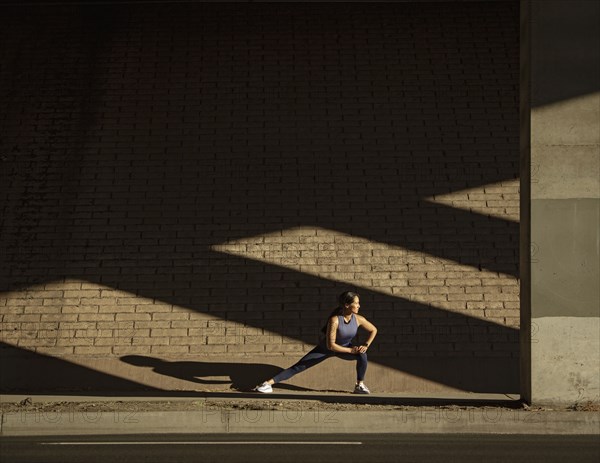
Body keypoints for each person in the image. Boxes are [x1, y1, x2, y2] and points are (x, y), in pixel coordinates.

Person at [254, 291, 378, 394]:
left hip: (345, 348)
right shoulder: (334, 320)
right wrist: (351, 350)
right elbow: (331, 345)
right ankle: (266, 384)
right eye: (356, 303)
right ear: (346, 305)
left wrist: (365, 345)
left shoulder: (358, 319)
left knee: (362, 354)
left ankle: (359, 385)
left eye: (358, 303)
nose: (359, 306)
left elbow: (373, 330)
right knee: (299, 366)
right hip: (325, 349)